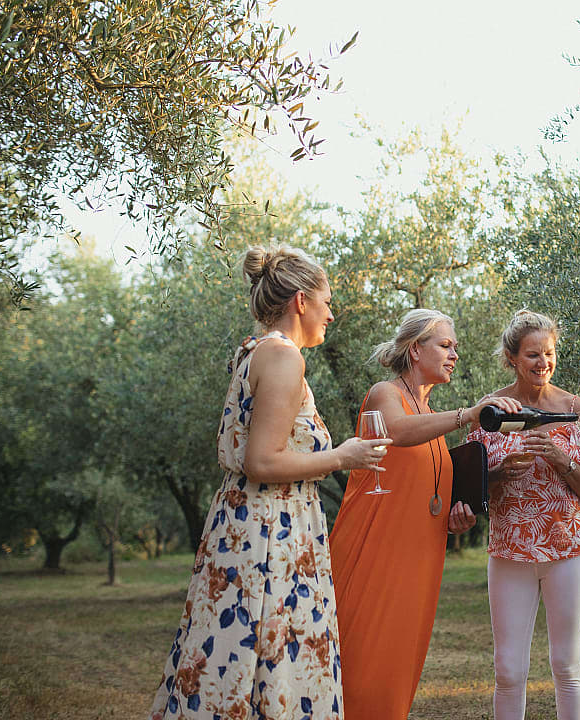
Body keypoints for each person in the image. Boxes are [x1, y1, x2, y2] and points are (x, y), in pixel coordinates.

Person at [149, 246, 390, 720]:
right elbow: (262, 461)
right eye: (326, 300)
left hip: (250, 523)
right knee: (271, 658)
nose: (331, 313)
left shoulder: (256, 351)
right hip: (269, 534)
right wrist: (342, 456)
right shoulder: (283, 359)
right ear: (300, 301)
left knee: (235, 657)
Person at [328, 308, 522, 720]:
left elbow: (425, 486)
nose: (454, 355)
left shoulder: (429, 411)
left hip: (420, 554)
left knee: (399, 664)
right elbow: (396, 433)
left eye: (456, 348)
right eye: (445, 345)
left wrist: (455, 514)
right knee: (364, 663)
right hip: (376, 552)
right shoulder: (387, 393)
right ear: (416, 349)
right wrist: (470, 414)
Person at [465, 310, 580, 720]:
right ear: (512, 357)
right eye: (532, 355)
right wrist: (499, 473)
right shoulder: (489, 411)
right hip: (509, 552)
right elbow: (470, 488)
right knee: (508, 669)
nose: (542, 363)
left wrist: (562, 460)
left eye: (549, 353)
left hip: (570, 551)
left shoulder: (575, 409)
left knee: (567, 664)